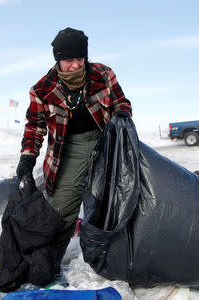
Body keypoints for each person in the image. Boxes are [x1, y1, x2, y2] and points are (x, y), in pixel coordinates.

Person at [16, 27, 132, 264]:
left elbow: (122, 102)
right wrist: (26, 160)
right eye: (69, 60)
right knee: (59, 212)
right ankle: (46, 262)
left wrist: (122, 115)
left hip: (106, 142)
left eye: (80, 59)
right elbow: (34, 127)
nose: (76, 66)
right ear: (58, 60)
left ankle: (116, 259)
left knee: (114, 200)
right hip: (68, 150)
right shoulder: (42, 90)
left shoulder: (103, 74)